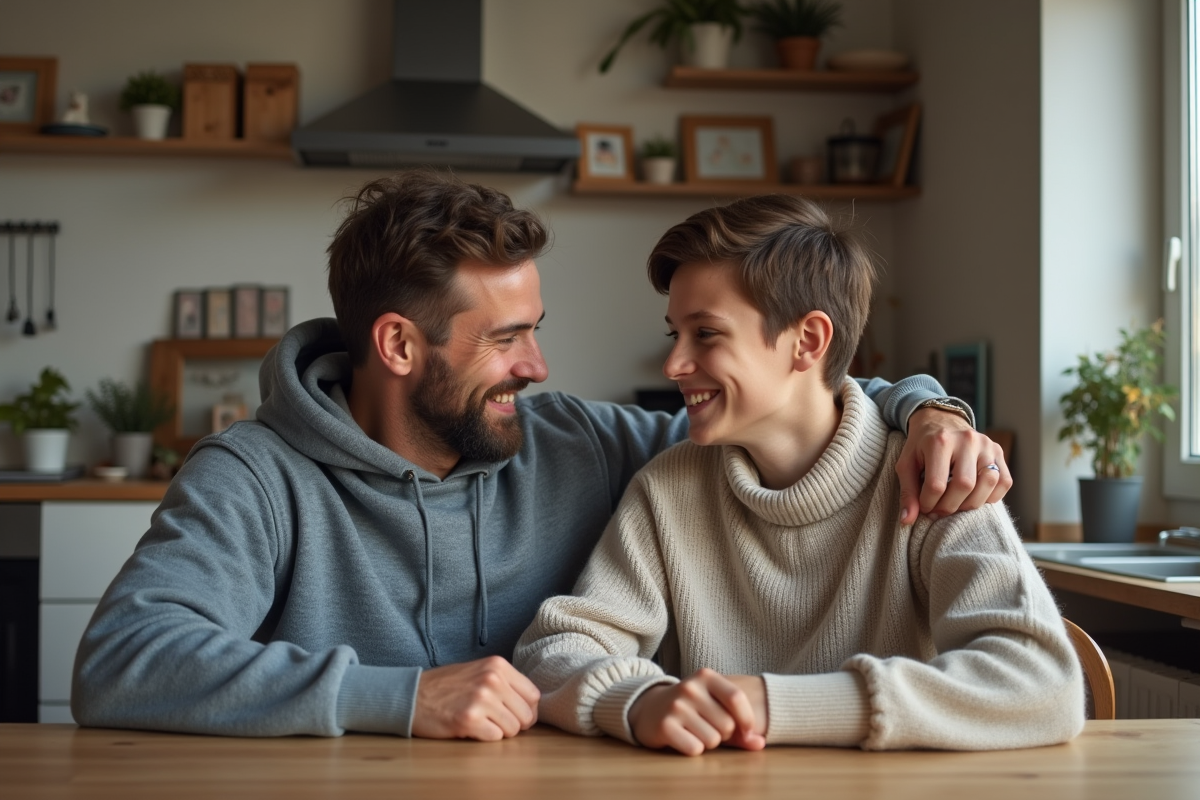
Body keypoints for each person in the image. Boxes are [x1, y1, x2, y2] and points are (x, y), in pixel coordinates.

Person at [72, 171, 1012, 741]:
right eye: (505, 339)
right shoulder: (253, 474)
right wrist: (399, 698)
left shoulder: (577, 441)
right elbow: (123, 661)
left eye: (536, 328)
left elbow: (781, 415)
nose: (538, 366)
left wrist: (926, 411)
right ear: (398, 346)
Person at [514, 195, 1082, 754]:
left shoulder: (934, 476)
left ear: (807, 341)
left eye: (705, 333)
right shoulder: (668, 489)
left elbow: (1042, 684)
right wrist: (639, 699)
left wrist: (770, 705)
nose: (674, 365)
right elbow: (555, 651)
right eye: (674, 334)